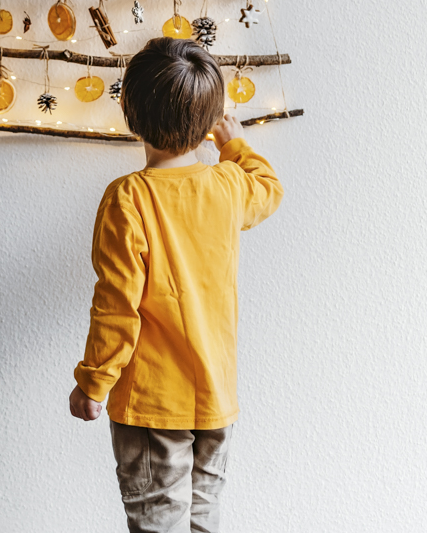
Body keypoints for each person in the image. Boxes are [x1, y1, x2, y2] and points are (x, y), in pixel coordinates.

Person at [68, 36, 284, 532]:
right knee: (203, 522)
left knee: (158, 525)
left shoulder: (129, 198)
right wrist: (233, 141)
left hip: (151, 407)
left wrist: (94, 380)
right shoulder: (227, 185)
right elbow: (268, 189)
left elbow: (117, 304)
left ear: (129, 110)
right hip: (214, 400)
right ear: (209, 122)